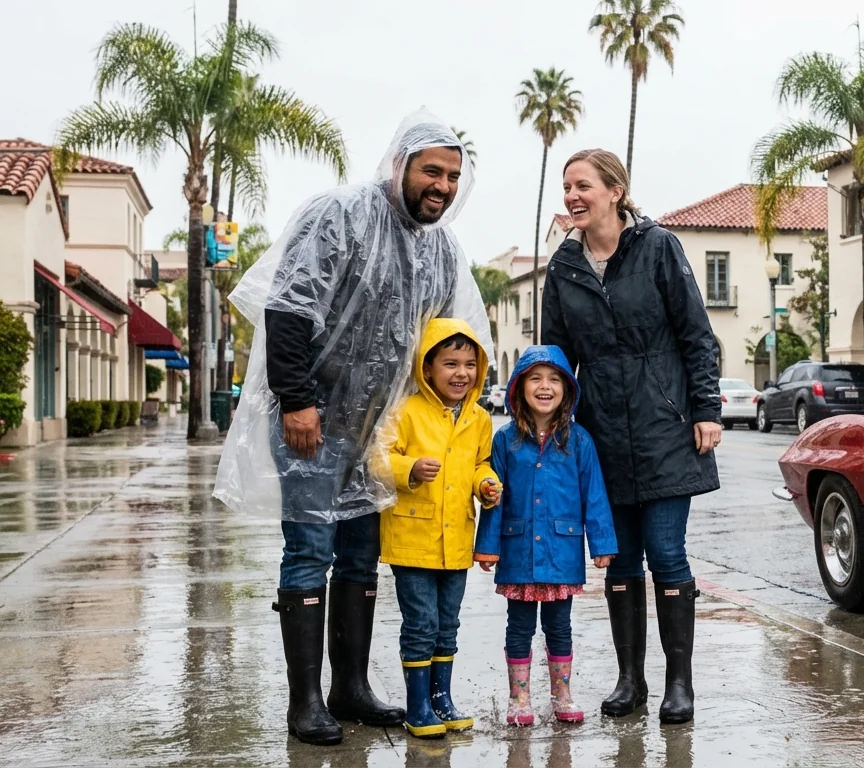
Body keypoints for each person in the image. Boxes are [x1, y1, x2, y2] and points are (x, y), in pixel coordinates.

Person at [213, 109, 492, 746]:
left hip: (378, 435)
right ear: (400, 165)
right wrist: (296, 401)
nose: (442, 186)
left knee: (363, 558)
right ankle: (306, 702)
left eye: (453, 177)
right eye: (432, 171)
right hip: (314, 424)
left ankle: (351, 688)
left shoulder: (441, 249)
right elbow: (289, 308)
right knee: (311, 550)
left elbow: (439, 341)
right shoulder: (340, 215)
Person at [541, 149, 721, 725]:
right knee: (618, 560)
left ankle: (678, 683)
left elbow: (696, 334)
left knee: (666, 553)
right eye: (567, 187)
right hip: (601, 436)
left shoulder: (658, 247)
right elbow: (555, 357)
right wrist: (550, 426)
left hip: (665, 426)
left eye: (583, 185)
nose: (572, 196)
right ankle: (630, 680)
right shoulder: (563, 268)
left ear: (615, 191)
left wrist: (706, 409)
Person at [473, 345, 617, 726]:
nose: (544, 386)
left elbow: (594, 494)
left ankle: (562, 694)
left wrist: (602, 543)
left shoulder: (579, 441)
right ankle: (519, 699)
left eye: (554, 379)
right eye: (535, 378)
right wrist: (487, 546)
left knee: (559, 626)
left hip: (561, 551)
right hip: (518, 550)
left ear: (567, 389)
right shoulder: (505, 441)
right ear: (519, 387)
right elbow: (494, 499)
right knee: (519, 626)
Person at [382, 317, 500, 738]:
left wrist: (486, 484)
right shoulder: (406, 411)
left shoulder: (479, 418)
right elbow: (378, 459)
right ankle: (418, 707)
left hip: (457, 539)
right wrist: (409, 468)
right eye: (450, 363)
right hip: (412, 539)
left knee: (447, 624)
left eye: (469, 364)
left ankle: (441, 699)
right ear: (427, 368)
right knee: (421, 624)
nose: (461, 373)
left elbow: (480, 463)